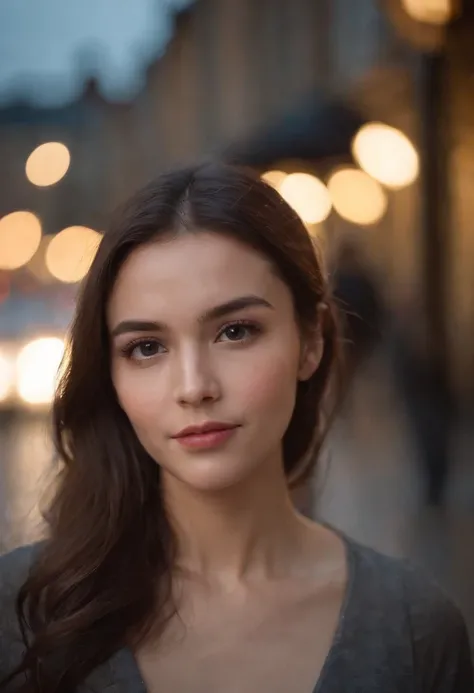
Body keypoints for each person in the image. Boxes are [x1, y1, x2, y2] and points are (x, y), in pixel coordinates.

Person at [0, 163, 472, 693]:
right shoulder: (21, 614)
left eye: (235, 331)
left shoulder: (413, 632)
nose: (194, 386)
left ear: (311, 340)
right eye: (147, 348)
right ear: (109, 373)